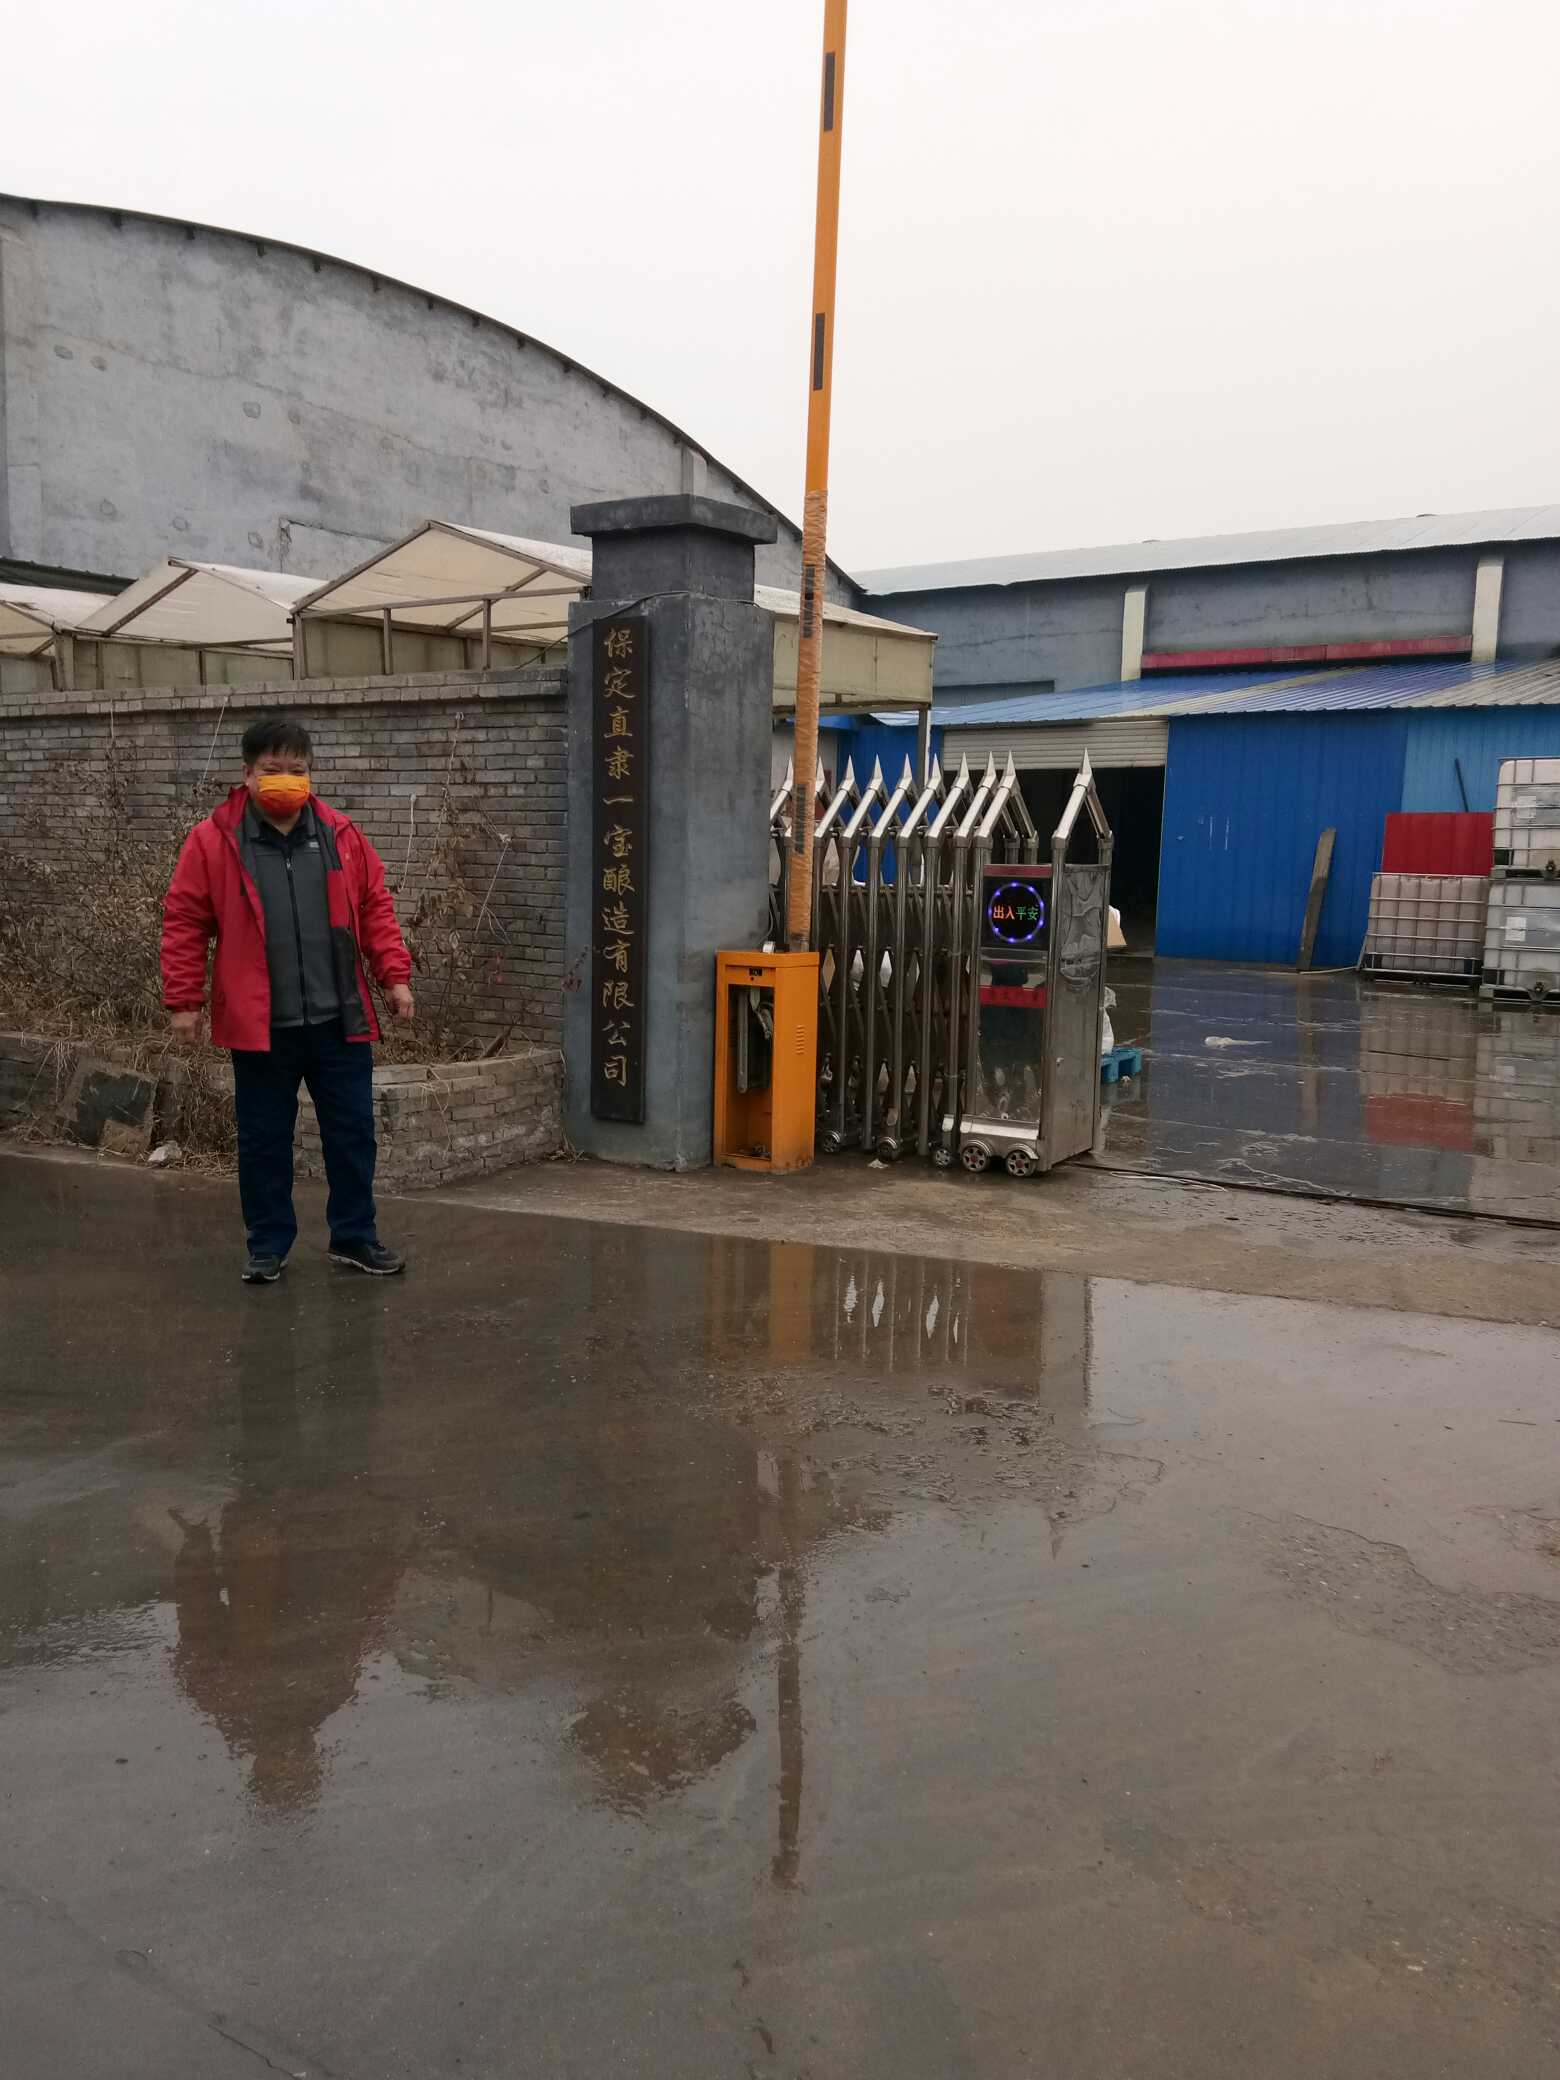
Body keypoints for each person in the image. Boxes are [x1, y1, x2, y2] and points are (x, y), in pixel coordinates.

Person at [161, 714, 415, 1283]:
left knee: (352, 1136)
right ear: (247, 774)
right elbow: (184, 922)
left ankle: (354, 1236)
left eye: (297, 770)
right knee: (264, 1141)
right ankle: (268, 1244)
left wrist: (394, 976)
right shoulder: (214, 841)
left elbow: (375, 906)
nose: (286, 780)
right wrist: (184, 1001)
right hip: (262, 1027)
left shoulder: (341, 835)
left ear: (311, 775)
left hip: (338, 1020)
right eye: (272, 769)